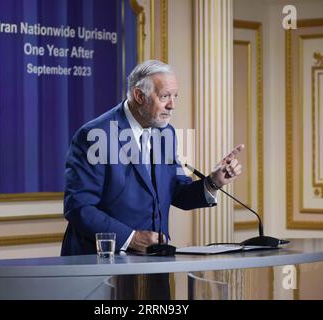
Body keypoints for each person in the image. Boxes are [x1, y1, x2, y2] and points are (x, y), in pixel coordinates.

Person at [61, 60, 243, 298]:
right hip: (103, 272)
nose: (172, 105)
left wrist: (213, 182)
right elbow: (79, 208)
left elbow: (177, 191)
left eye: (175, 96)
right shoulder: (95, 135)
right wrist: (133, 238)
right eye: (165, 96)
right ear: (139, 95)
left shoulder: (166, 133)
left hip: (154, 269)